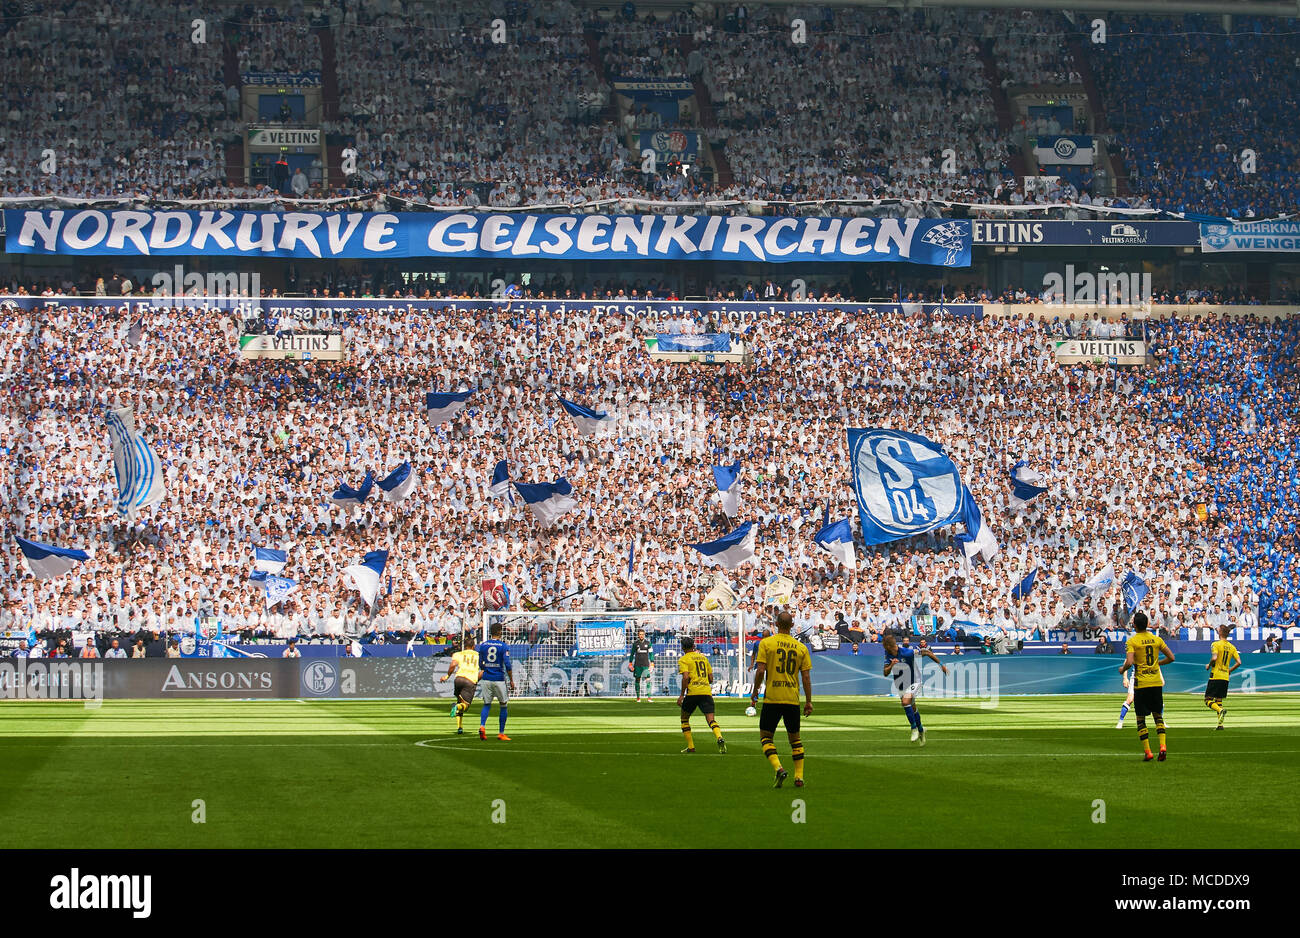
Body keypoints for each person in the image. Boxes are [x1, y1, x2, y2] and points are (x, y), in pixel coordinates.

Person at [750, 610, 813, 788]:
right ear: (792, 625)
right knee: (795, 740)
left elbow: (761, 670)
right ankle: (799, 777)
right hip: (792, 699)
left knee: (766, 737)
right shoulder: (801, 648)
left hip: (772, 699)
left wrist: (755, 692)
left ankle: (778, 768)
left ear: (776, 624)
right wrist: (808, 701)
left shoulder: (766, 643)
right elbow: (806, 678)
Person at [1119, 612, 1175, 762]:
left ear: (1135, 625)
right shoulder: (1157, 640)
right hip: (1156, 682)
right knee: (1158, 716)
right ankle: (1163, 746)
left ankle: (1148, 751)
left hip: (1141, 683)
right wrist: (1157, 664)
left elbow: (1130, 662)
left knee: (1140, 719)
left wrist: (1122, 669)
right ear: (1147, 623)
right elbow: (1171, 657)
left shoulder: (1132, 642)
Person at [882, 632, 948, 746]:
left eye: (884, 645)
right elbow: (885, 673)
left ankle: (914, 728)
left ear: (889, 646)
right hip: (901, 683)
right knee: (912, 707)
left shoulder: (907, 653)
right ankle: (921, 730)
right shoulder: (888, 654)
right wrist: (891, 665)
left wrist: (941, 664)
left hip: (914, 681)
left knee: (905, 702)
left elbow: (926, 652)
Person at [676, 636, 726, 754]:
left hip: (693, 693)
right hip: (706, 692)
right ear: (694, 646)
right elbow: (711, 678)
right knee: (711, 719)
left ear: (682, 647)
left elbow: (686, 677)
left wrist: (682, 695)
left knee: (684, 718)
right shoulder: (703, 658)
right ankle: (719, 737)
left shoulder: (684, 659)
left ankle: (691, 746)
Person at [477, 624, 515, 741]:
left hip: (486, 678)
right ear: (499, 632)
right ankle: (501, 733)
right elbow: (507, 664)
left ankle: (482, 726)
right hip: (498, 679)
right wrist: (511, 680)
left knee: (487, 704)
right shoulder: (503, 646)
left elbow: (480, 663)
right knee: (503, 705)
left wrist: (486, 668)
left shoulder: (483, 645)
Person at [441, 633, 481, 735]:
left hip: (458, 679)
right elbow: (483, 670)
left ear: (465, 646)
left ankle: (459, 727)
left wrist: (447, 676)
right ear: (473, 646)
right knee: (465, 706)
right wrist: (477, 678)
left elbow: (453, 664)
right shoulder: (478, 655)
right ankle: (456, 707)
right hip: (469, 681)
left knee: (459, 701)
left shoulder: (458, 654)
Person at [1204, 624, 1240, 730]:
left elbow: (1214, 658)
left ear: (1220, 632)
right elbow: (1239, 662)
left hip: (1216, 675)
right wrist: (1229, 671)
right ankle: (1220, 725)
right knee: (1219, 701)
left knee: (1208, 700)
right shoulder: (1232, 647)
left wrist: (1208, 665)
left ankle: (1220, 711)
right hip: (1225, 677)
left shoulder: (1215, 644)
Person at [628, 628, 655, 702]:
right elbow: (632, 654)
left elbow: (651, 654)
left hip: (646, 665)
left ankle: (649, 697)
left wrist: (652, 663)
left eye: (642, 634)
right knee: (637, 680)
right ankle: (638, 698)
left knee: (648, 680)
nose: (641, 636)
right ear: (638, 635)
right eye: (640, 634)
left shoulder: (648, 643)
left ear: (644, 635)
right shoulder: (635, 644)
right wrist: (630, 663)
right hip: (637, 665)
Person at [1116, 662, 1136, 729]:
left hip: (1149, 677)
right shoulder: (1135, 651)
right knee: (1129, 700)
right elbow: (1127, 662)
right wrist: (1125, 678)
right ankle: (1120, 721)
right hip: (1136, 677)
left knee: (1156, 700)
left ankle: (1161, 722)